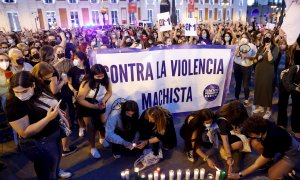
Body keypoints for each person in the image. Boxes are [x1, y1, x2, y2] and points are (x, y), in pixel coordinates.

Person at [5, 71, 71, 179]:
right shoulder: (13, 104)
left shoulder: (39, 90)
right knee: (46, 172)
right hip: (39, 143)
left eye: (24, 91)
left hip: (53, 137)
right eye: (16, 92)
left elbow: (50, 102)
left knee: (55, 162)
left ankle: (56, 171)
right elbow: (24, 132)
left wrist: (59, 114)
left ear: (33, 85)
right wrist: (48, 118)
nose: (20, 95)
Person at [228, 116, 300, 179]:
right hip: (282, 145)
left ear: (259, 135)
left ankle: (288, 170)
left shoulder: (271, 141)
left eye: (251, 134)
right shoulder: (263, 123)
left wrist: (239, 175)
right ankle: (272, 161)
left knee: (271, 175)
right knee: (254, 142)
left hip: (293, 153)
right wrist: (240, 130)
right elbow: (250, 131)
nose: (249, 135)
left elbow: (255, 165)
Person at [76, 64, 112, 158]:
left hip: (99, 103)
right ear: (92, 75)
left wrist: (103, 100)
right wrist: (94, 106)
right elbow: (80, 99)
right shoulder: (87, 83)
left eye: (102, 75)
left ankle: (102, 138)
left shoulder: (106, 80)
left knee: (102, 122)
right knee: (90, 126)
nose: (100, 78)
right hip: (87, 105)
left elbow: (109, 92)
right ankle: (93, 148)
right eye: (98, 76)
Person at [253, 33, 279, 119]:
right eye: (266, 35)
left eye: (268, 43)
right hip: (259, 71)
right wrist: (258, 58)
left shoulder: (275, 48)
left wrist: (269, 51)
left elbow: (271, 60)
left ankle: (268, 110)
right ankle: (260, 107)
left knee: (267, 90)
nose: (267, 44)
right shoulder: (260, 47)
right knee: (259, 88)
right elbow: (255, 61)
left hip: (268, 72)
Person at [67, 51, 90, 136]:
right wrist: (74, 90)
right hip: (77, 94)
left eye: (77, 58)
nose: (75, 60)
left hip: (88, 94)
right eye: (74, 58)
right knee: (78, 112)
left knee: (88, 111)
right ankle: (81, 127)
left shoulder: (88, 68)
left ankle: (89, 126)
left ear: (82, 59)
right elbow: (69, 83)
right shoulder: (72, 70)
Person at [233, 32, 257, 106]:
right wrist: (239, 46)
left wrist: (247, 56)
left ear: (248, 38)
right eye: (242, 37)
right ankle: (236, 97)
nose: (244, 39)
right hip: (237, 65)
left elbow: (254, 57)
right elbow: (234, 54)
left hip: (247, 66)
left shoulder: (252, 46)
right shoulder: (238, 44)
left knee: (246, 84)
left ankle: (246, 99)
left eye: (245, 37)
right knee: (237, 83)